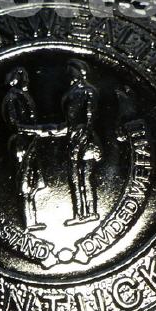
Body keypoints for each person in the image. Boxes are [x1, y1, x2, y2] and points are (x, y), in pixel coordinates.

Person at [2, 67, 47, 231]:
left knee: (33, 182)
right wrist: (38, 130)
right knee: (25, 182)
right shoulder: (12, 97)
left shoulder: (23, 95)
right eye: (22, 76)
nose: (26, 79)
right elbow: (15, 124)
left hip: (30, 142)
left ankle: (32, 220)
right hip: (22, 143)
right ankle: (29, 222)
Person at [61, 59, 102, 225]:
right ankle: (79, 214)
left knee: (86, 177)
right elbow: (68, 120)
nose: (69, 74)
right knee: (74, 178)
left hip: (86, 139)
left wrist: (83, 136)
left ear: (80, 72)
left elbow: (90, 117)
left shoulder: (88, 91)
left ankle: (91, 212)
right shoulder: (69, 93)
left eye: (72, 71)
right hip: (72, 137)